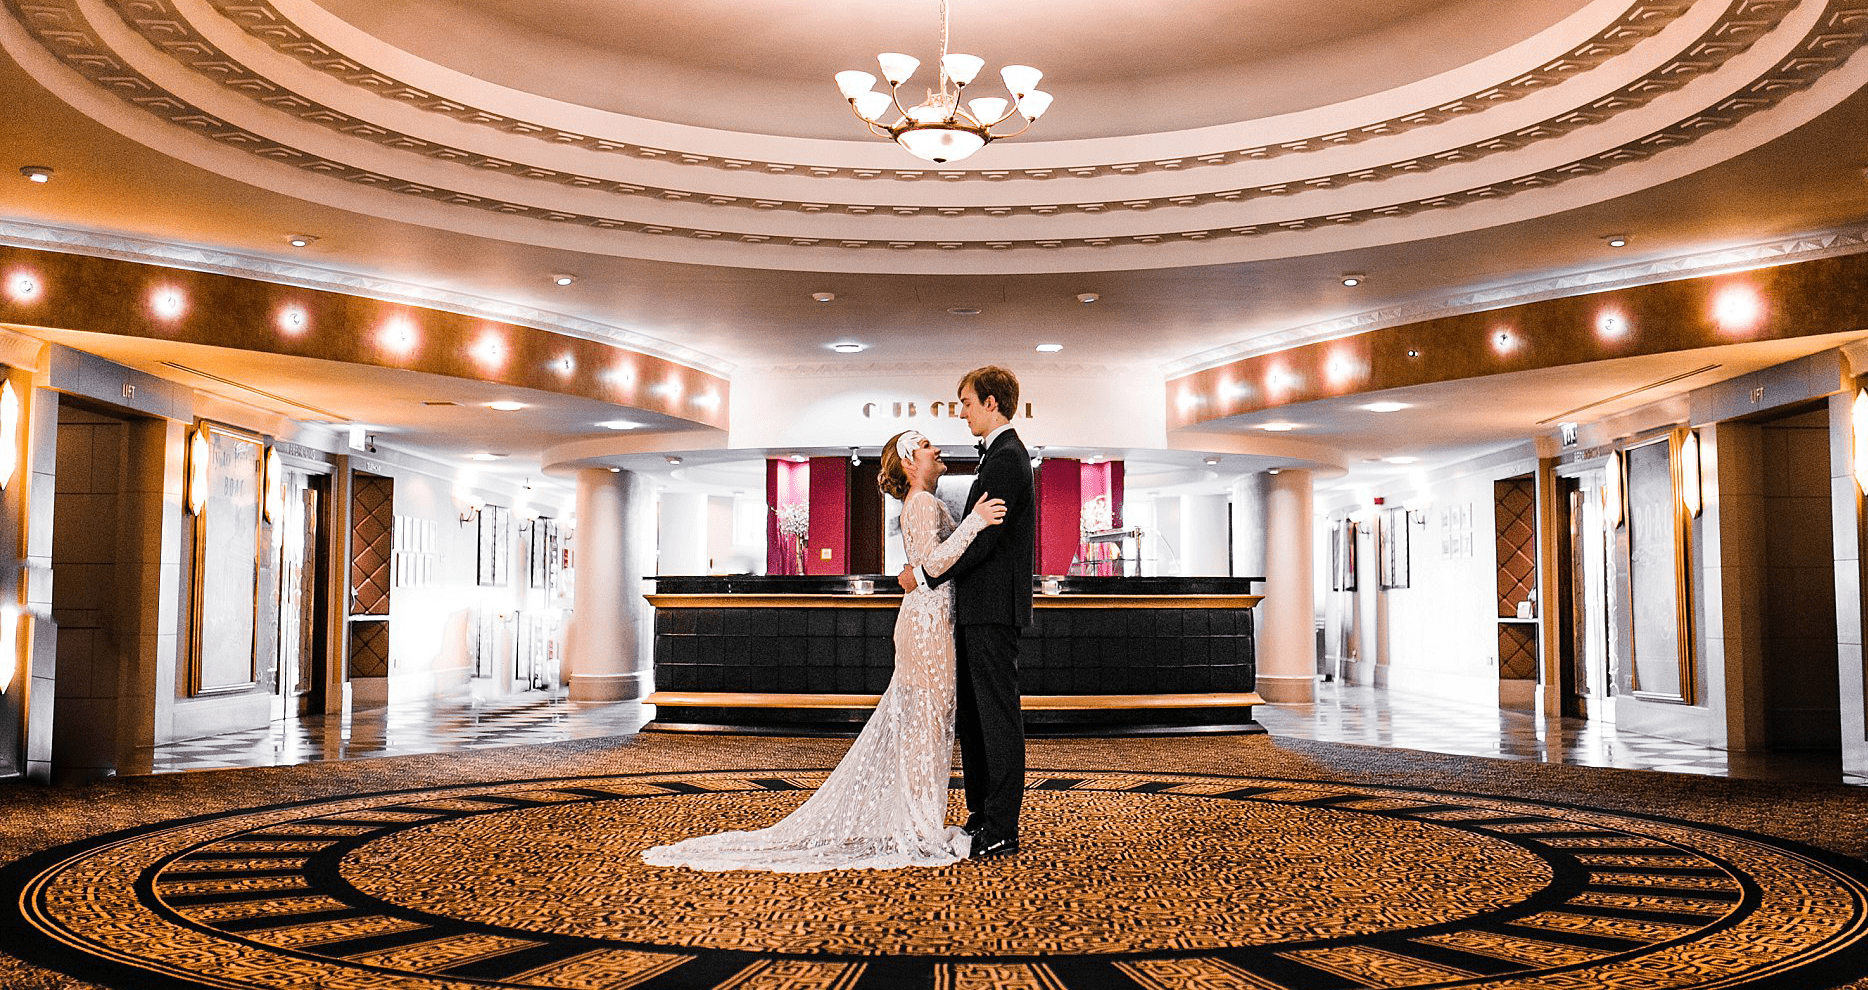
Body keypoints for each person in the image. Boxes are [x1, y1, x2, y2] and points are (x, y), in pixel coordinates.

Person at [642, 430, 1006, 872]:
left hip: (928, 622)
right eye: (928, 446)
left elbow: (929, 564)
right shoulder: (923, 503)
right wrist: (977, 520)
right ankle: (920, 827)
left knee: (929, 727)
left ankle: (922, 820)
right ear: (910, 462)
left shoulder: (923, 504)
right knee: (927, 728)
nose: (938, 449)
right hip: (926, 630)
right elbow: (934, 562)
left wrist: (939, 551)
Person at [899, 366, 1035, 859]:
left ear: (992, 402)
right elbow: (974, 535)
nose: (962, 412)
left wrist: (928, 574)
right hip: (979, 609)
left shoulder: (1006, 458)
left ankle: (1000, 826)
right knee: (977, 720)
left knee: (996, 719)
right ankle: (982, 816)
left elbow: (985, 539)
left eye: (967, 403)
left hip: (993, 610)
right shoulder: (999, 456)